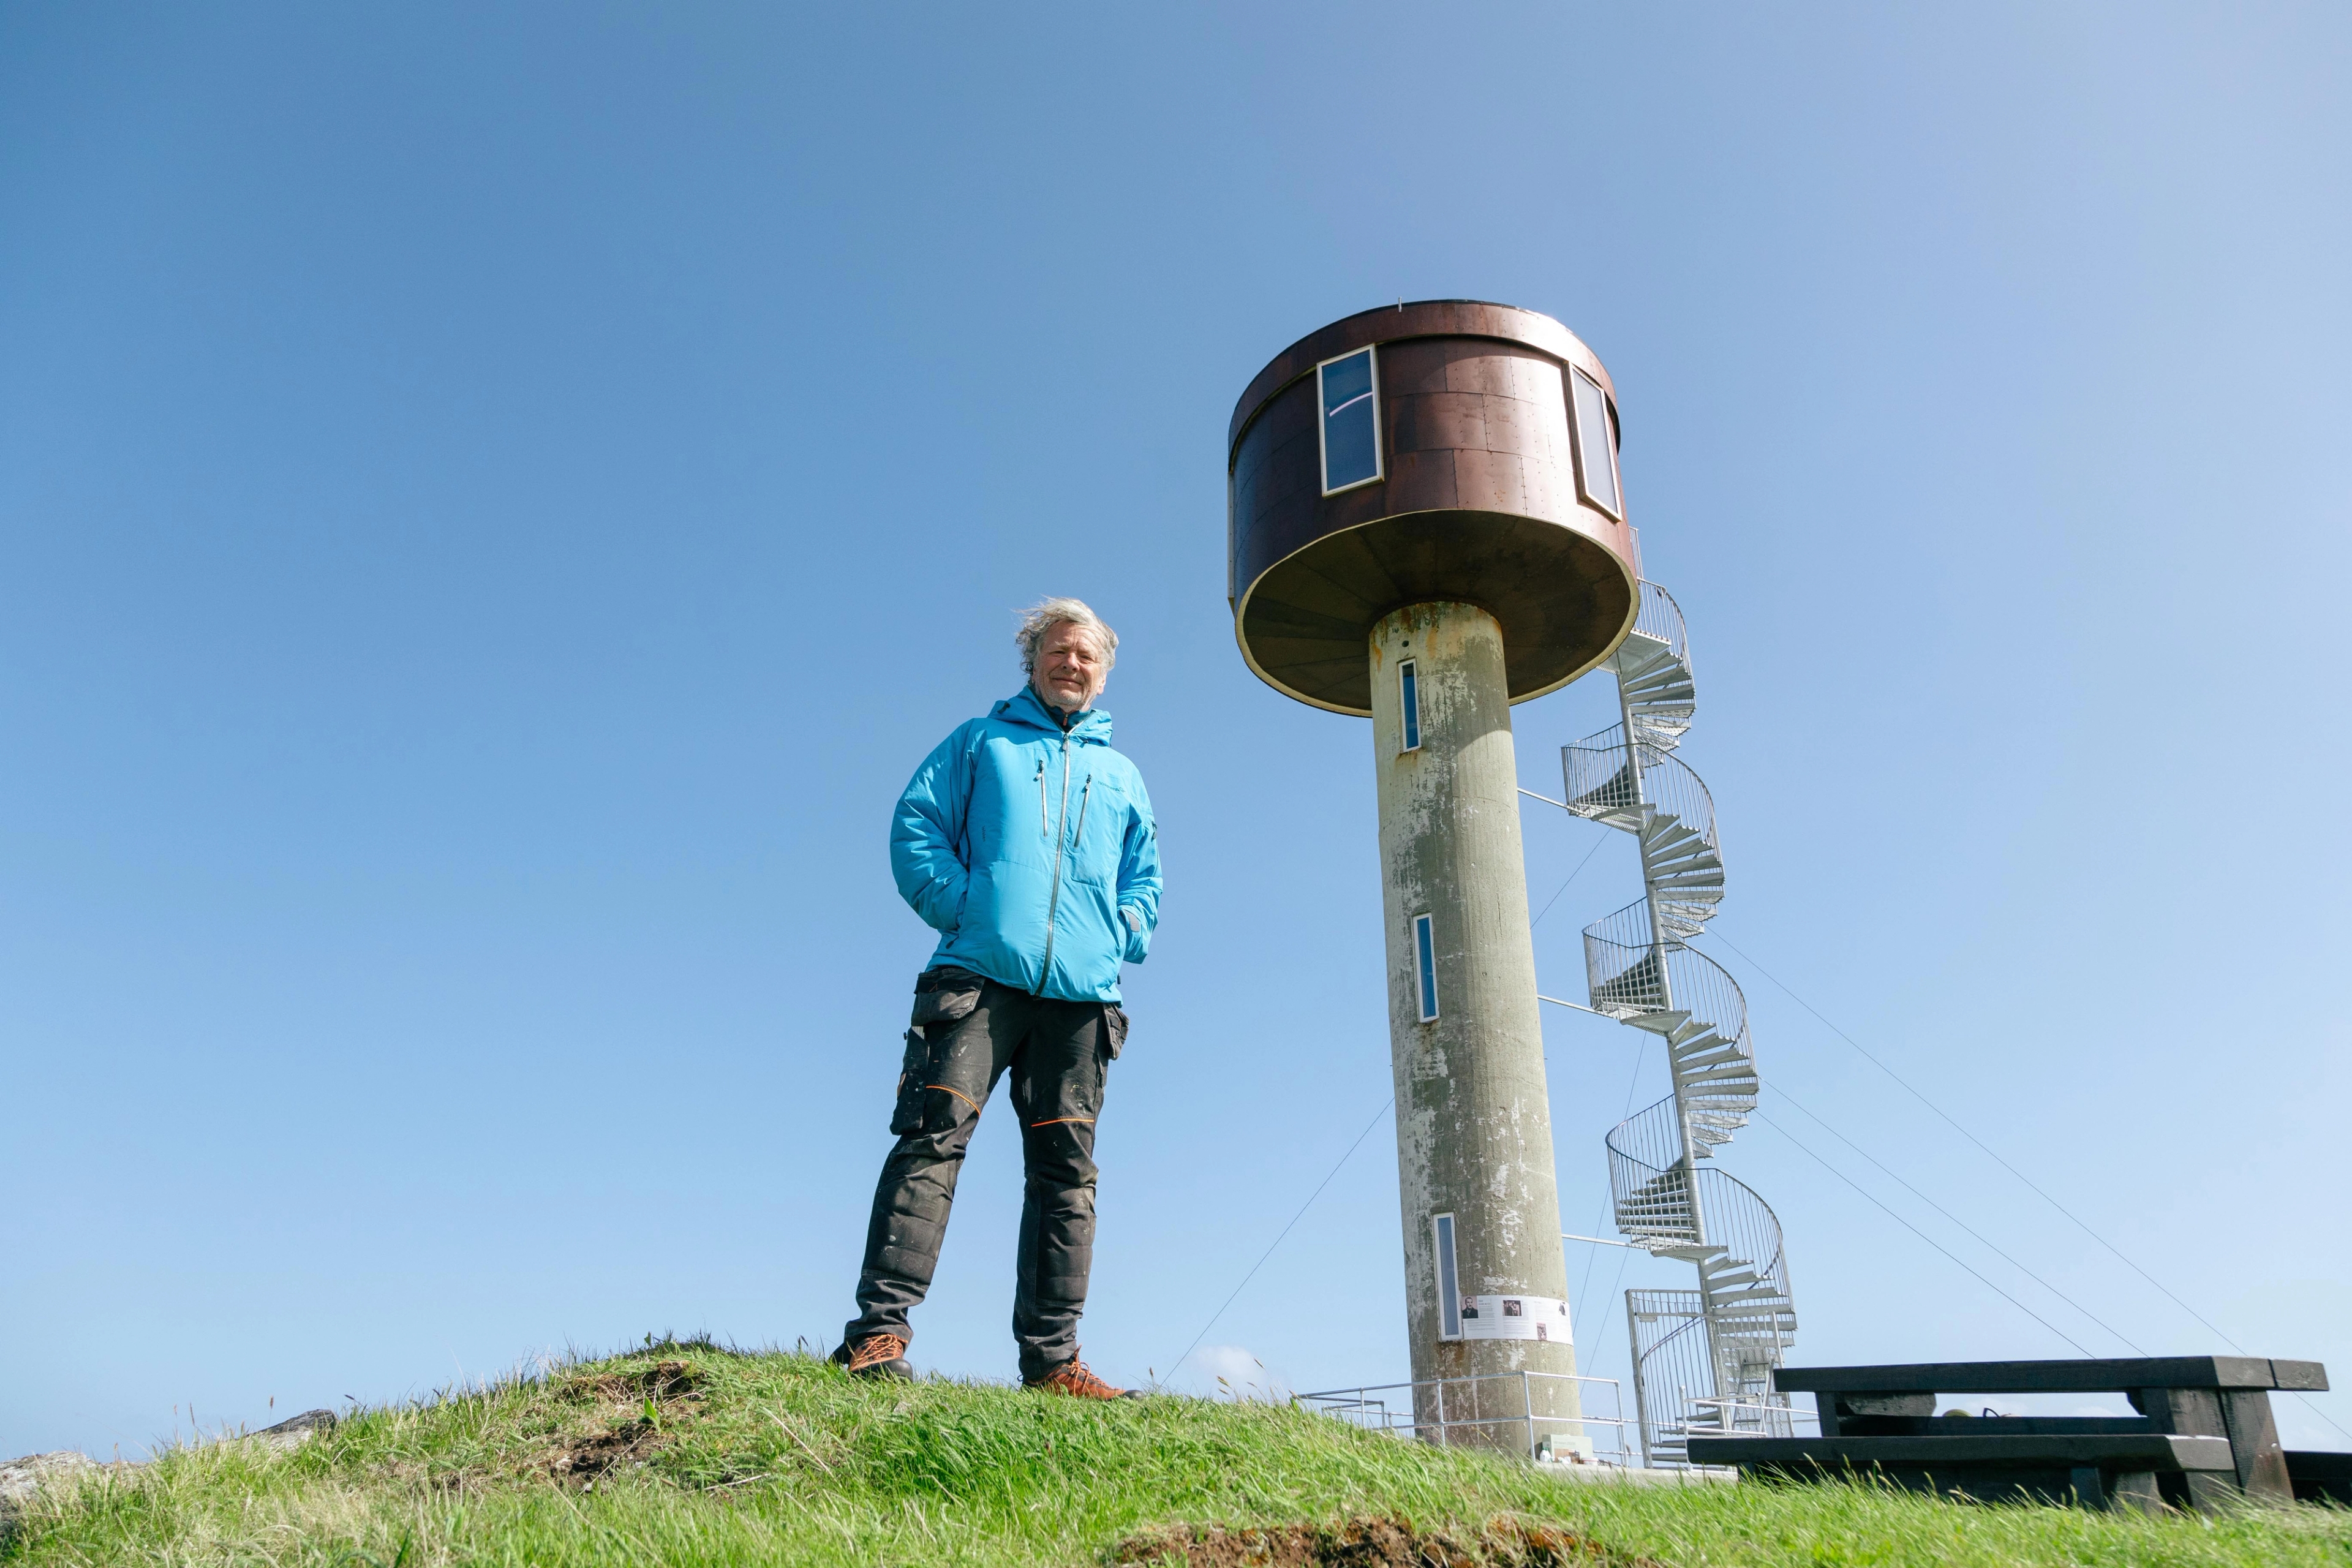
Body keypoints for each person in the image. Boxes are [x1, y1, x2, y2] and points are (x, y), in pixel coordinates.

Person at [832, 597, 1161, 1398]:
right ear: (1033, 662)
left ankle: (1053, 1362)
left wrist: (1121, 933)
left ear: (1104, 669)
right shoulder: (980, 744)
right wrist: (965, 907)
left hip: (1081, 999)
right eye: (1057, 652)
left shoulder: (1122, 776)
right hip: (977, 980)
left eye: (1086, 655)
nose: (1071, 665)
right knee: (931, 1139)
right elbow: (916, 824)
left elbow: (1144, 879)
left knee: (1067, 1175)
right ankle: (878, 1335)